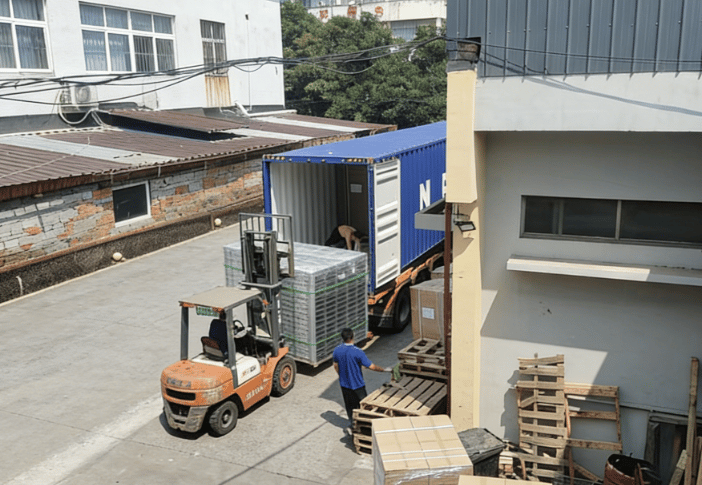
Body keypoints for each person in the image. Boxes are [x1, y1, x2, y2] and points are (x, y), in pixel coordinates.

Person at [333, 328, 391, 430]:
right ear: (352, 337)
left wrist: (341, 376)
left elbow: (335, 366)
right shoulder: (358, 352)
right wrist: (384, 369)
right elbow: (371, 366)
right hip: (358, 385)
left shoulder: (337, 350)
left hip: (344, 386)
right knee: (363, 407)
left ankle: (353, 425)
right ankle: (364, 427)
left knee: (350, 407)